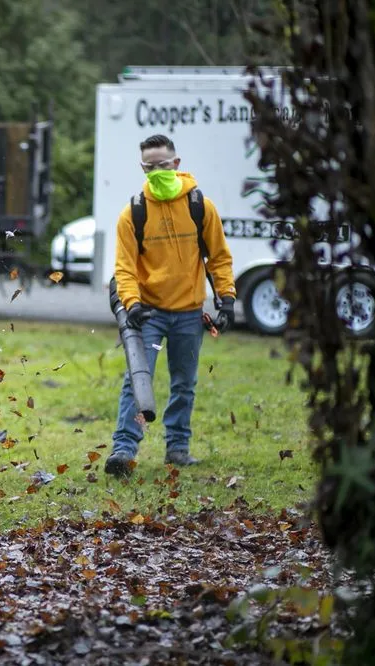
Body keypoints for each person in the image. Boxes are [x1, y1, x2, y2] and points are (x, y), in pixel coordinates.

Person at [104, 134, 236, 478]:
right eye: (151, 167)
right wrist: (132, 305)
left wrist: (228, 299)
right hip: (148, 313)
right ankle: (124, 450)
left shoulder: (200, 207)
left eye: (163, 165)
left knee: (184, 383)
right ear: (142, 168)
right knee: (137, 380)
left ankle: (177, 448)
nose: (157, 171)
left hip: (190, 313)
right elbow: (125, 268)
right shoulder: (132, 213)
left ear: (176, 164)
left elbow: (219, 258)